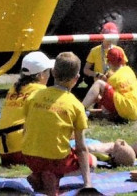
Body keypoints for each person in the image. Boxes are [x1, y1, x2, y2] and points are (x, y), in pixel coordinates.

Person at [21, 51, 94, 195]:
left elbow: (26, 129)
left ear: (53, 72)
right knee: (92, 162)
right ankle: (55, 175)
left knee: (45, 159)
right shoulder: (75, 105)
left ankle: (39, 174)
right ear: (76, 78)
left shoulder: (34, 97)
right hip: (55, 160)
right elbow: (81, 148)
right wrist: (88, 183)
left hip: (30, 157)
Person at [0, 51, 53, 167]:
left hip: (4, 150)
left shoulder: (13, 88)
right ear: (41, 75)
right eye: (48, 72)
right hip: (24, 151)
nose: (50, 75)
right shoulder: (41, 90)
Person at [82, 47, 137, 122]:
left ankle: (80, 109)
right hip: (135, 112)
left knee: (98, 84)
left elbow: (103, 96)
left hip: (125, 112)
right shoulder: (129, 71)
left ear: (109, 62)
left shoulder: (113, 78)